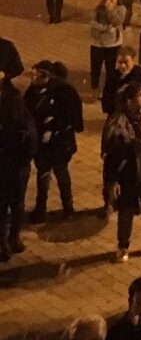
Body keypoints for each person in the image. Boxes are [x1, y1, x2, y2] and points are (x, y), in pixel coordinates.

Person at [103, 81, 141, 263]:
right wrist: (112, 180)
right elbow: (111, 154)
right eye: (140, 95)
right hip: (128, 172)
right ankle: (123, 246)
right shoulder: (117, 121)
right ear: (129, 100)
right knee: (126, 211)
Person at [25, 61, 82, 223]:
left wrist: (54, 129)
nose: (33, 78)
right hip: (41, 144)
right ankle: (40, 208)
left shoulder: (63, 91)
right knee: (42, 174)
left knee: (61, 173)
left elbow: (71, 117)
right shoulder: (32, 92)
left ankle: (68, 208)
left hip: (59, 144)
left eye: (37, 75)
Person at [0, 75, 36, 261]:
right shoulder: (17, 103)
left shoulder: (12, 105)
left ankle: (6, 242)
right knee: (16, 204)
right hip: (19, 164)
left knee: (6, 204)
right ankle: (12, 239)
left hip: (10, 163)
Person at [89, 0, 126, 97]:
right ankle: (95, 91)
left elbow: (117, 21)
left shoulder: (121, 9)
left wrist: (110, 10)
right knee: (95, 69)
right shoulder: (99, 8)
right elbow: (93, 23)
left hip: (113, 44)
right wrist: (105, 28)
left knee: (110, 69)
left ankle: (109, 91)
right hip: (97, 43)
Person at [101, 45, 141, 116]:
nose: (123, 66)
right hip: (117, 115)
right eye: (120, 62)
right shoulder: (112, 77)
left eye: (126, 62)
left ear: (133, 60)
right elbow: (105, 104)